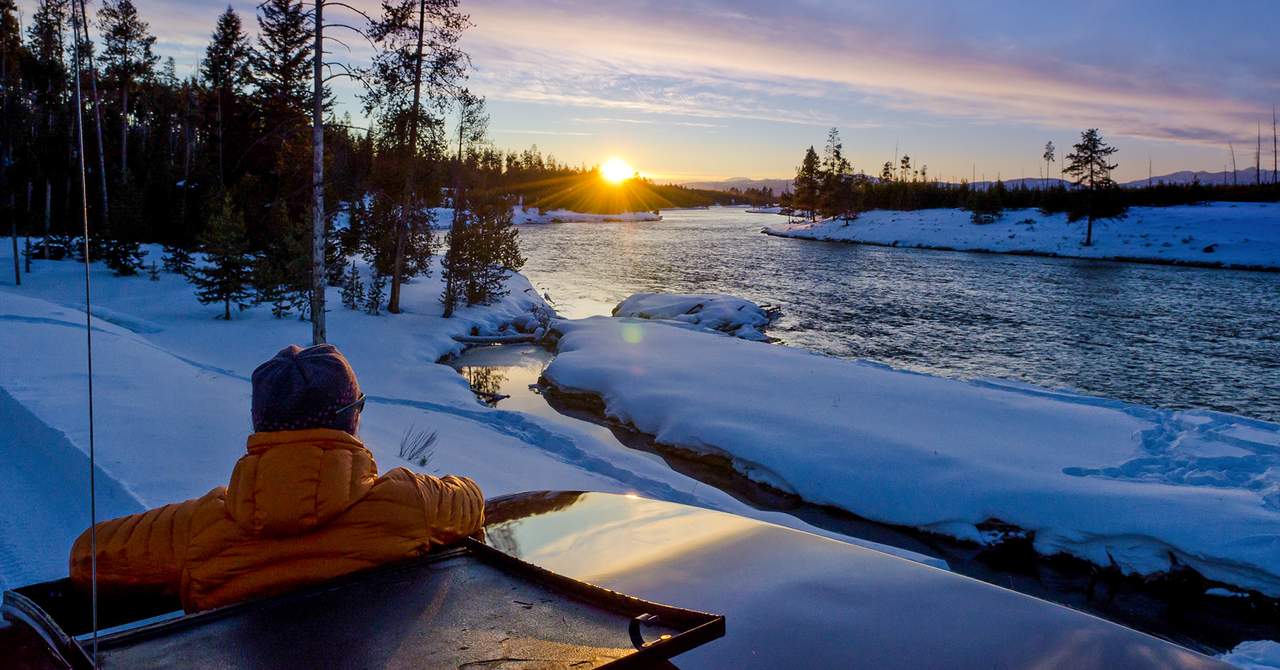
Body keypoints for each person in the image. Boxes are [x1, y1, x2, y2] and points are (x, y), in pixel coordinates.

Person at [69, 344, 484, 612]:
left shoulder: (201, 525)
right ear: (352, 419)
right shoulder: (412, 503)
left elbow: (87, 556)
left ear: (260, 427)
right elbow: (472, 499)